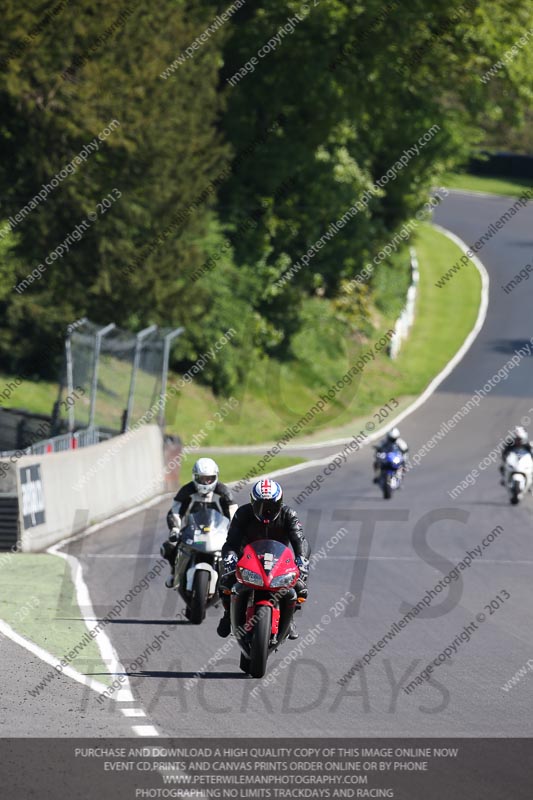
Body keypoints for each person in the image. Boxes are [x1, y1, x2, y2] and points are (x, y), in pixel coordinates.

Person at [217, 478, 310, 640]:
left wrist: (301, 559)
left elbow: (299, 539)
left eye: (271, 506)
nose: (266, 511)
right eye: (260, 506)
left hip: (279, 560)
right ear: (253, 504)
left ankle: (290, 619)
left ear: (280, 503)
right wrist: (230, 557)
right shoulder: (242, 514)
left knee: (300, 587)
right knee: (226, 580)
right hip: (247, 557)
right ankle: (227, 614)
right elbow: (231, 542)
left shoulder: (289, 515)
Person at [161, 457, 237, 587]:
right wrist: (175, 528)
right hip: (192, 531)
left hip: (217, 533)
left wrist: (235, 530)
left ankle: (232, 578)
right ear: (195, 477)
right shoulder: (186, 491)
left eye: (209, 478)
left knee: (236, 550)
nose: (206, 482)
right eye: (202, 478)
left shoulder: (224, 493)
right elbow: (175, 512)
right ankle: (174, 573)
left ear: (216, 477)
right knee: (169, 546)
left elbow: (233, 513)